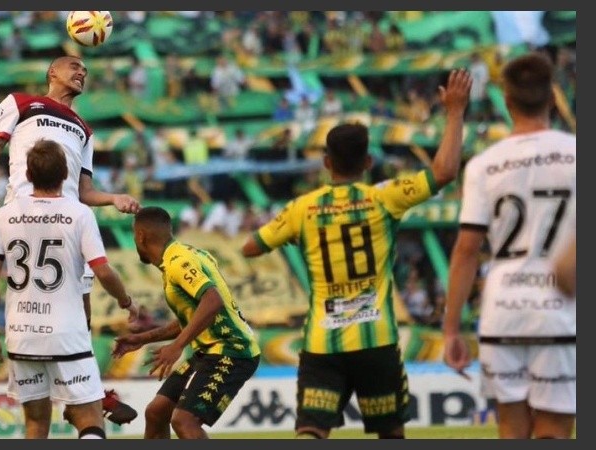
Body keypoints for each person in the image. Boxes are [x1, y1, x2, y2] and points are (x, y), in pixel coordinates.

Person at [240, 69, 472, 439]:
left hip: (322, 343)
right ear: (368, 163)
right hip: (376, 340)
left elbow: (250, 247)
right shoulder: (384, 197)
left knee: (311, 430)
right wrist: (455, 111)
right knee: (390, 433)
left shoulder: (303, 209)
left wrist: (294, 235)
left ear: (326, 162)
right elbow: (443, 172)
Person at [0, 54, 141, 425]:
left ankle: (84, 390)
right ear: (52, 72)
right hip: (23, 214)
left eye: (85, 70)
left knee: (81, 308)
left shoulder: (84, 130)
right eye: (74, 66)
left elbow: (85, 191)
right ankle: (83, 396)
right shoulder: (20, 103)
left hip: (66, 216)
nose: (82, 72)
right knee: (37, 303)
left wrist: (114, 198)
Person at [443, 53, 576, 439]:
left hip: (503, 311)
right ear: (552, 96)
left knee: (511, 430)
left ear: (506, 100)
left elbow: (467, 250)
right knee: (554, 431)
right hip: (561, 310)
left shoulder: (484, 165)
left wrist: (451, 329)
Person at [0, 140, 140, 439]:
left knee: (36, 423)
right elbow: (103, 271)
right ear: (67, 174)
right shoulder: (79, 214)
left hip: (21, 335)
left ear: (28, 174)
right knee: (90, 416)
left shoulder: (4, 215)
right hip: (65, 335)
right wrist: (126, 301)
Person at [113, 206, 261, 439]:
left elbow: (213, 301)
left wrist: (177, 346)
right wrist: (142, 338)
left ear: (140, 236)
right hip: (209, 350)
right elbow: (196, 316)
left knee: (184, 421)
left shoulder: (178, 263)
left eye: (133, 235)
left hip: (232, 350)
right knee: (156, 413)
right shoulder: (188, 254)